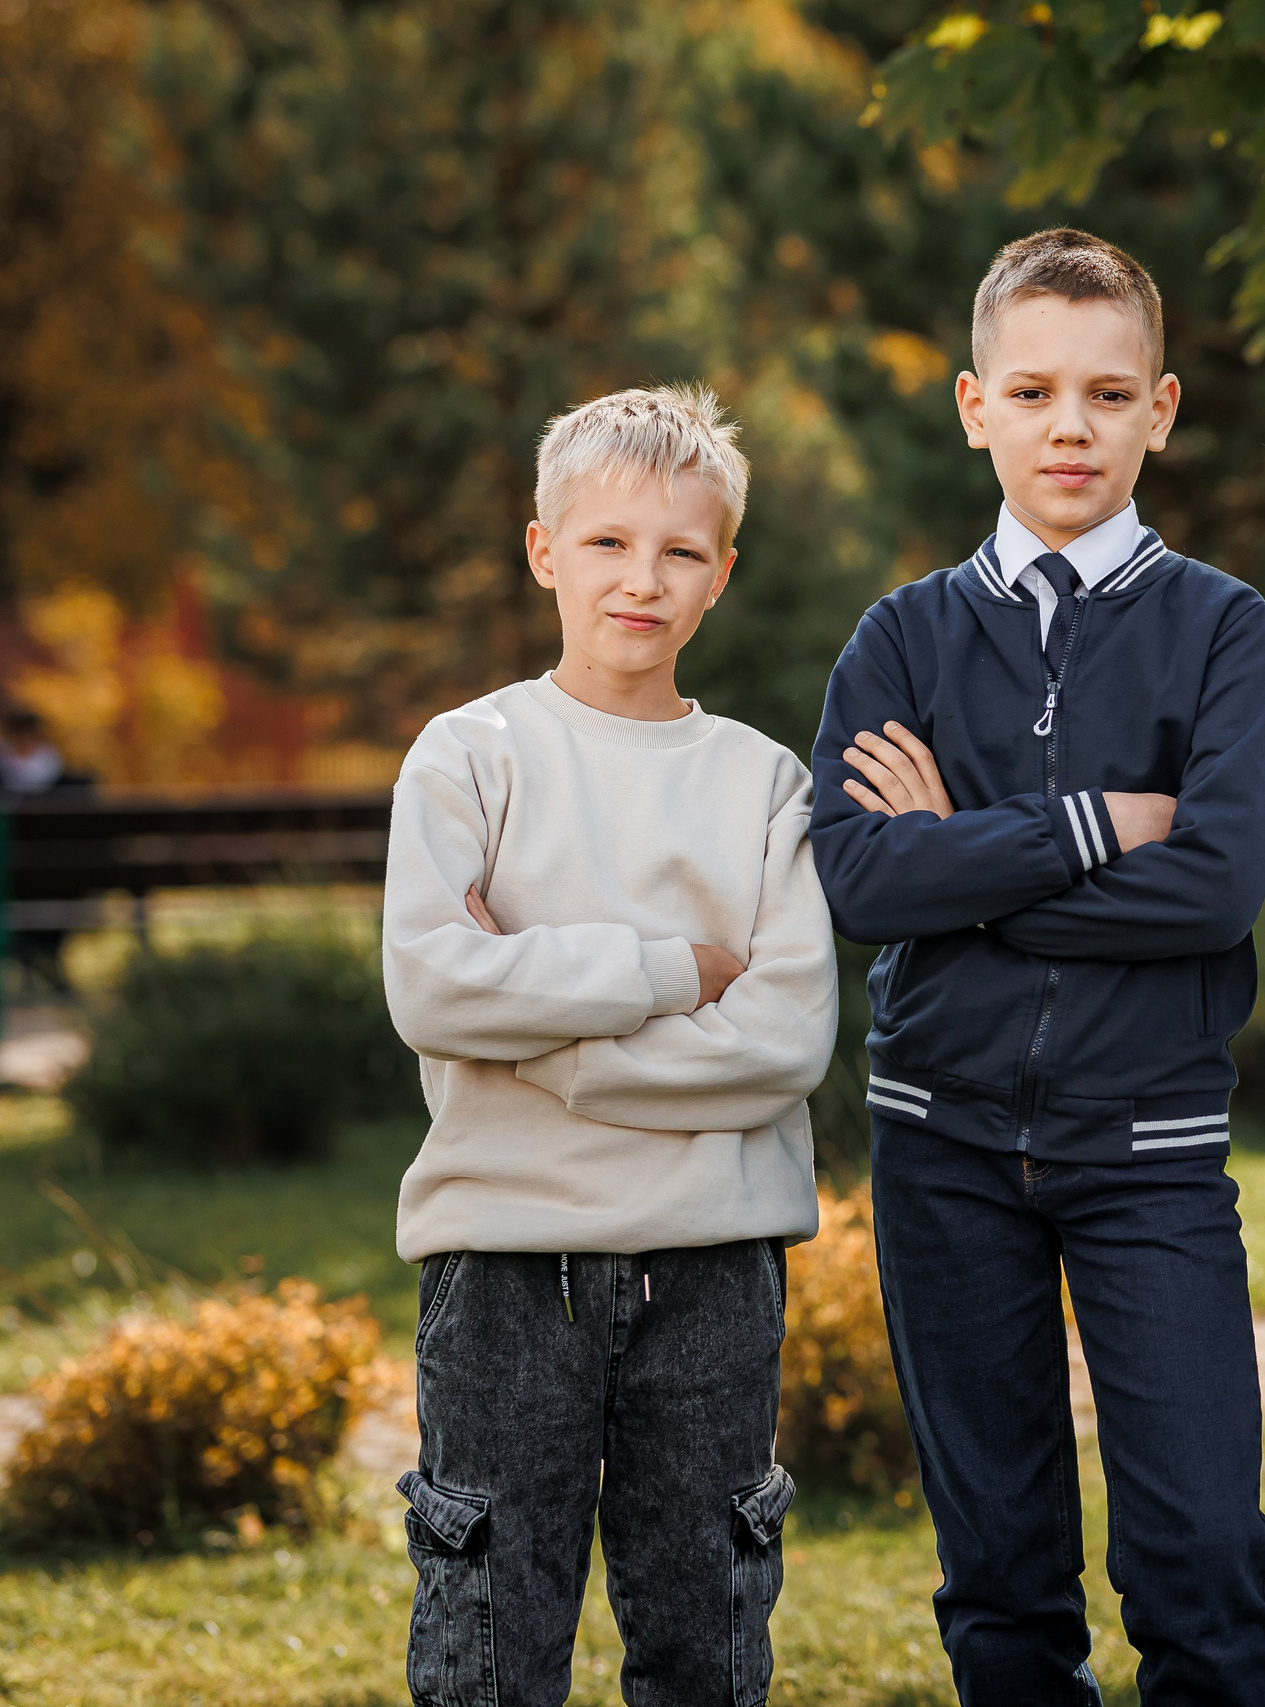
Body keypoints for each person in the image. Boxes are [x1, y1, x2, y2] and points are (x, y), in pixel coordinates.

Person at [809, 228, 1265, 1706]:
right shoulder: (903, 635)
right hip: (941, 1145)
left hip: (1148, 1147)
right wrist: (1085, 827)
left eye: (1106, 391)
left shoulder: (1220, 626)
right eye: (1033, 391)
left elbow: (1210, 892)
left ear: (1163, 406)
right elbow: (856, 877)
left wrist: (971, 861)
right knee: (1001, 1572)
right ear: (973, 405)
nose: (1068, 424)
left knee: (1202, 1552)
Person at [381, 384, 837, 1706]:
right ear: (542, 549)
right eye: (607, 542)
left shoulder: (762, 781)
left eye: (681, 550)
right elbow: (433, 985)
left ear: (722, 576)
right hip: (506, 1263)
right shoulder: (469, 756)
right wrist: (667, 970)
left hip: (714, 1261)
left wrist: (553, 1042)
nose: (643, 578)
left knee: (708, 1627)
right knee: (489, 1633)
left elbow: (786, 1037)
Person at [0, 710, 64, 794]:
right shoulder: (4, 751)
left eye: (28, 734)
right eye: (19, 733)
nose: (24, 739)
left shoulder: (49, 755)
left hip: (44, 797)